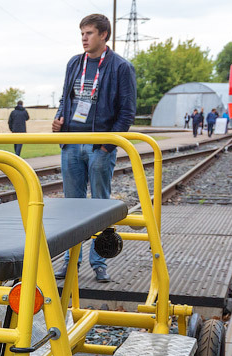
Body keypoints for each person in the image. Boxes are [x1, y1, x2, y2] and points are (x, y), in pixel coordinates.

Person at [51, 13, 135, 283]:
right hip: (72, 144)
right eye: (82, 34)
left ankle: (99, 263)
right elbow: (67, 97)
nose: (84, 38)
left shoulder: (120, 67)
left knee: (100, 205)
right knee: (72, 207)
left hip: (100, 146)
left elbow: (127, 111)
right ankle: (69, 261)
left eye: (89, 33)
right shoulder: (75, 63)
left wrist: (107, 146)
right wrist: (60, 119)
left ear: (104, 35)